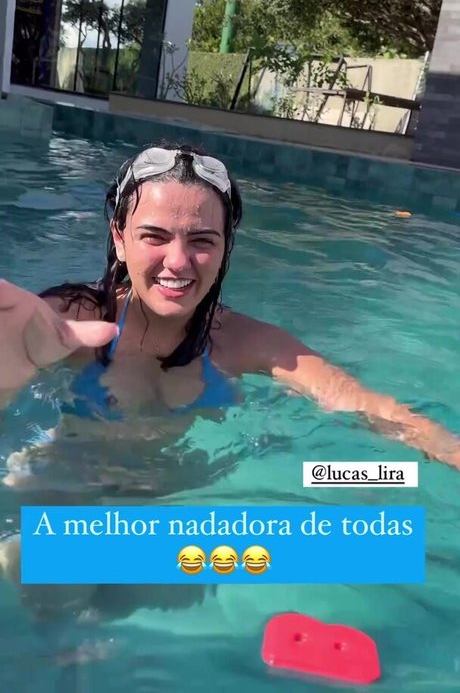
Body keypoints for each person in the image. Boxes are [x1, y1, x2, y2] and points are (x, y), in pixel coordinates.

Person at [1, 141, 460, 643]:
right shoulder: (74, 320)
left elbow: (368, 406)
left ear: (224, 250)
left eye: (202, 240)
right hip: (64, 493)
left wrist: (450, 453)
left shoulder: (244, 342)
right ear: (119, 237)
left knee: (365, 518)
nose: (178, 262)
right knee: (47, 576)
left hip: (168, 505)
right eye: (154, 236)